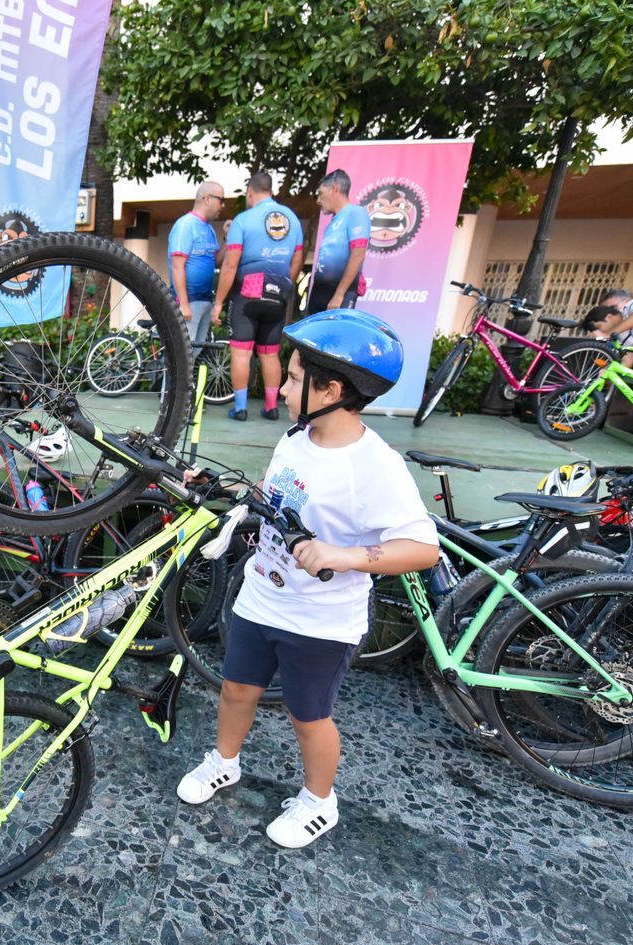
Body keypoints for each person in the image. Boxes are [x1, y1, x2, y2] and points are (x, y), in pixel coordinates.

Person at [176, 309, 438, 848]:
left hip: (321, 620)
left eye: (294, 379)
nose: (285, 386)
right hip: (262, 597)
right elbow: (277, 503)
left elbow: (422, 549)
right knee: (236, 689)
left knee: (308, 715)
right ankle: (225, 761)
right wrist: (223, 487)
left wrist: (344, 555)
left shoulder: (376, 466)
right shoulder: (295, 439)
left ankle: (321, 801)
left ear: (332, 389)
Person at [213, 172, 303, 421]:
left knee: (241, 353)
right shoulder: (292, 220)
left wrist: (218, 302)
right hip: (279, 292)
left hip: (248, 291)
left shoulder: (243, 220)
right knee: (270, 353)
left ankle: (241, 409)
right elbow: (297, 257)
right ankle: (272, 407)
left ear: (250, 192)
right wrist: (286, 283)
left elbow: (230, 264)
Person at [168, 181, 225, 346]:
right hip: (189, 302)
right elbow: (177, 265)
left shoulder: (209, 229)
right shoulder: (186, 226)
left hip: (205, 300)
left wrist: (228, 238)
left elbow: (216, 262)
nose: (223, 205)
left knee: (195, 351)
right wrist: (183, 304)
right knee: (183, 353)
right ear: (207, 199)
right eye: (220, 200)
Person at [307, 169, 371, 316]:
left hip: (338, 293)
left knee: (334, 338)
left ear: (334, 189)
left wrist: (339, 294)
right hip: (319, 291)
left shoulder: (356, 213)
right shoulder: (333, 222)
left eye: (321, 193)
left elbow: (358, 255)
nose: (318, 201)